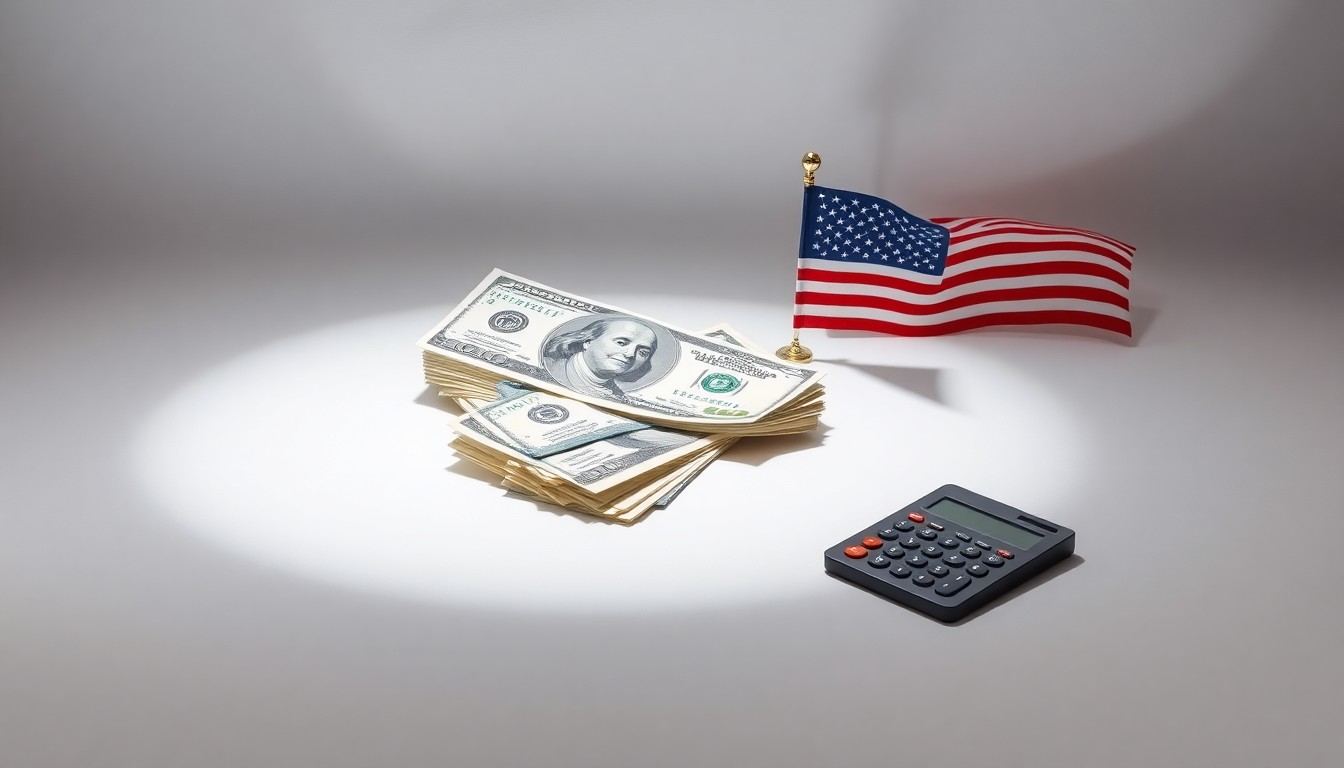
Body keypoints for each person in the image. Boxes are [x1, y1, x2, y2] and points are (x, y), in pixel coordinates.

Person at [541, 317, 659, 399]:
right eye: (621, 343)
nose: (630, 354)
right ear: (588, 342)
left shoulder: (619, 397)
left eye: (643, 352)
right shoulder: (547, 367)